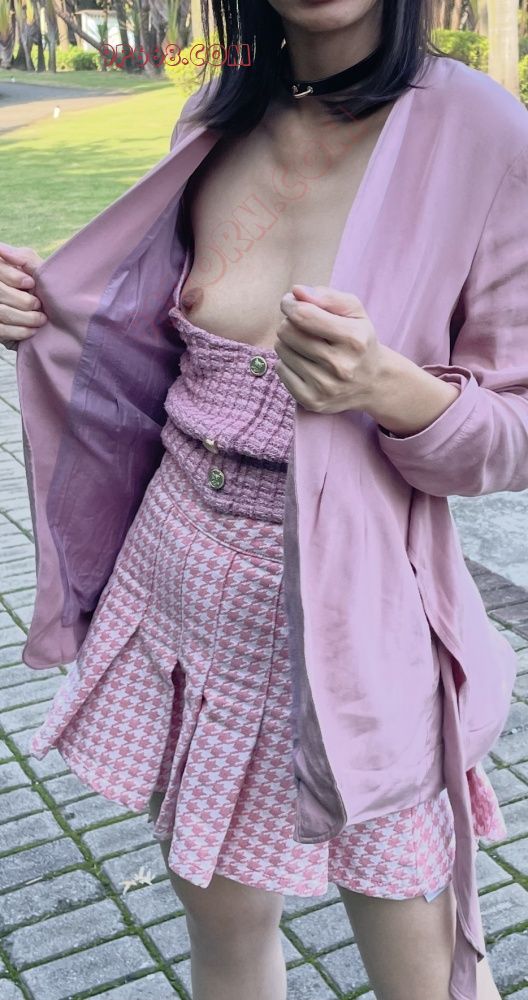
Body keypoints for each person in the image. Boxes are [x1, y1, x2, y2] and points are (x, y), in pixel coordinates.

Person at [2, 1, 527, 998]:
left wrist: (390, 388)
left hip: (356, 615)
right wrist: (42, 308)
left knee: (422, 963)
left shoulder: (485, 135)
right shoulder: (216, 113)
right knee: (223, 926)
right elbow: (146, 335)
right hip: (177, 582)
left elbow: (514, 431)